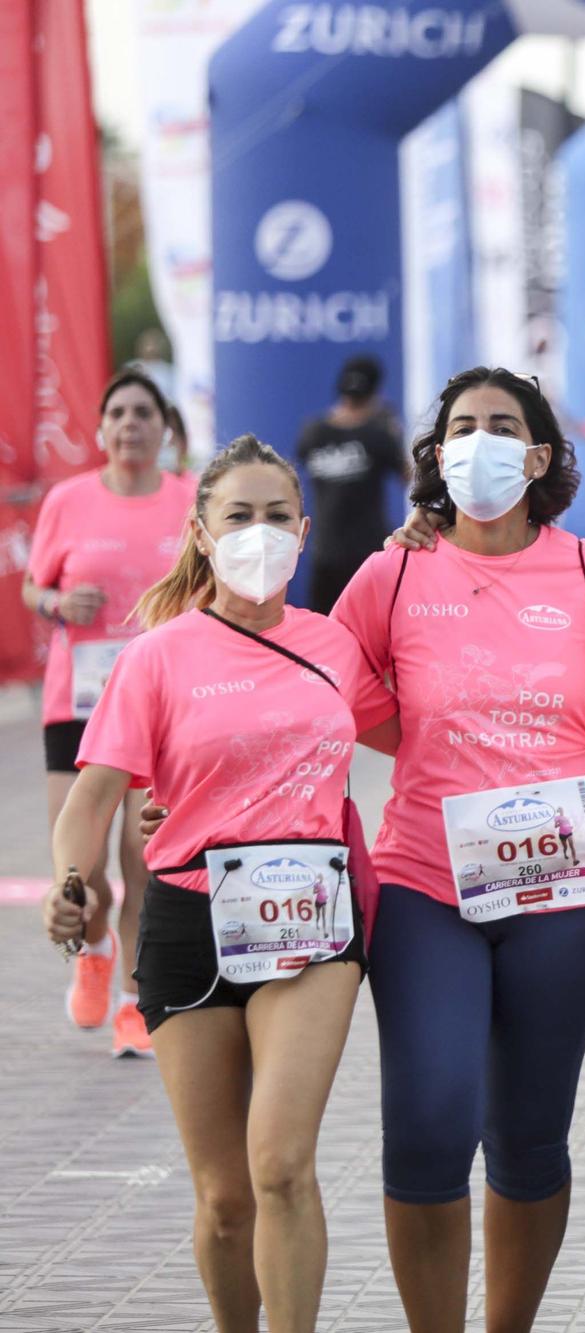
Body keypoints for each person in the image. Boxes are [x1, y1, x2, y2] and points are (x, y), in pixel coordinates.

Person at [43, 434, 397, 1333]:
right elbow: (92, 799)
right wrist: (70, 883)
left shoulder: (335, 647)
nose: (259, 532)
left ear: (305, 529)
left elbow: (427, 732)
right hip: (188, 924)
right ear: (201, 533)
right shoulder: (157, 657)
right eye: (238, 515)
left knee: (280, 1165)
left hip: (312, 925)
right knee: (225, 1196)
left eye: (278, 515)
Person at [331, 366, 585, 1333]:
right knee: (430, 1124)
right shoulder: (392, 572)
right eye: (461, 425)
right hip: (428, 885)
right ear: (436, 452)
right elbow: (325, 701)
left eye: (502, 425)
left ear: (539, 454)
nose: (479, 441)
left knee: (528, 1136)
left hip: (570, 896)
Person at [25, 369, 196, 1056]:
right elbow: (36, 586)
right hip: (81, 699)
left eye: (143, 413)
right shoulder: (68, 501)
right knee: (85, 859)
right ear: (100, 430)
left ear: (164, 428)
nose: (130, 424)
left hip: (160, 699)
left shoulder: (189, 501)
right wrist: (58, 605)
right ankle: (93, 948)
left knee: (143, 855)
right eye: (118, 413)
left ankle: (132, 998)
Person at [296, 354, 407, 613]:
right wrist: (395, 434)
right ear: (375, 393)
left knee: (323, 635)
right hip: (368, 554)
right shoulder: (379, 435)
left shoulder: (313, 433)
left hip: (325, 551)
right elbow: (410, 477)